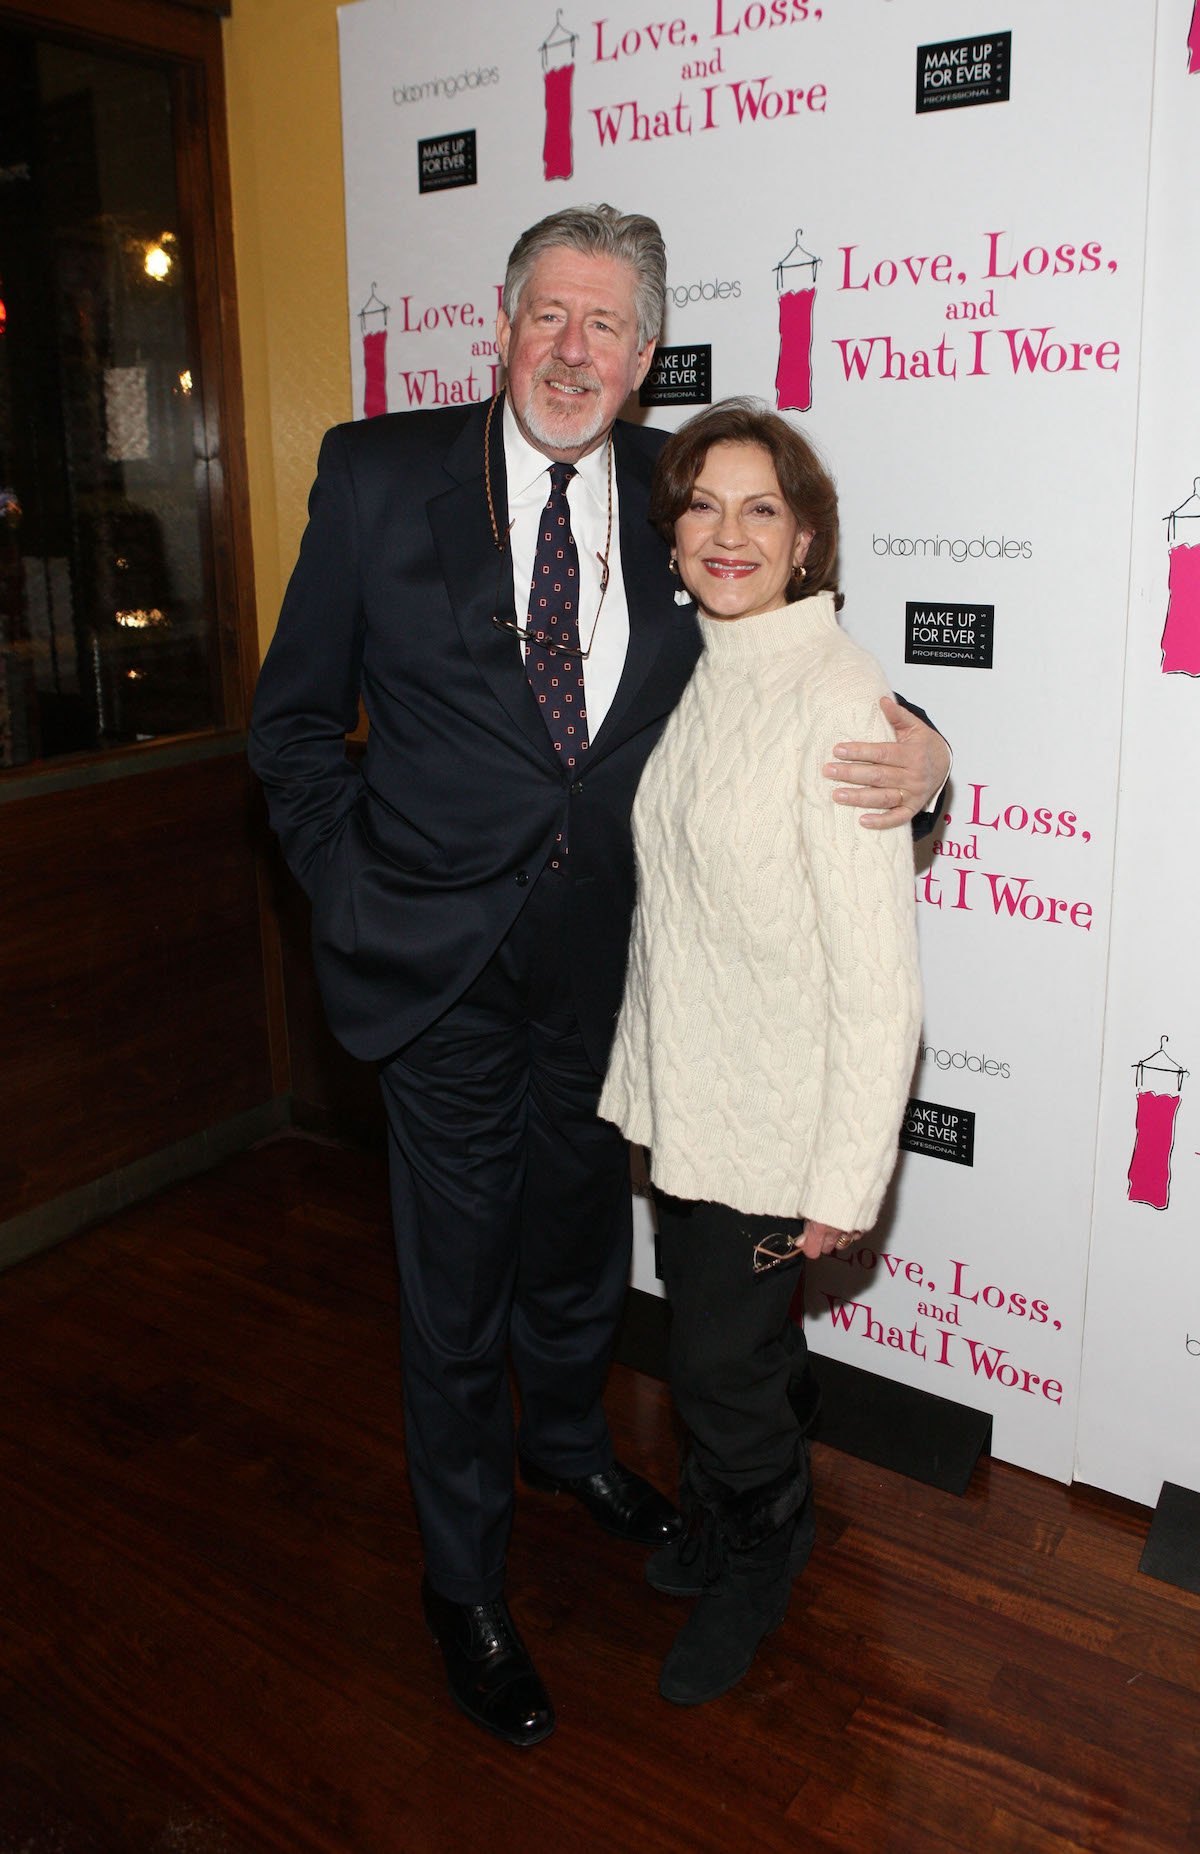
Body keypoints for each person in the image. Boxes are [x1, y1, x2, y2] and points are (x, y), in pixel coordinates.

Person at [248, 206, 948, 1749]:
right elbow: (291, 725)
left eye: (608, 327)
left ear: (645, 358)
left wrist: (932, 751)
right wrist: (351, 888)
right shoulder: (375, 477)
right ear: (501, 323)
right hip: (434, 978)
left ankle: (567, 1443)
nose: (575, 350)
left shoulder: (673, 495)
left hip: (615, 977)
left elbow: (791, 662)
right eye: (550, 316)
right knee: (454, 1290)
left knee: (576, 1250)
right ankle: (462, 1580)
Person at [599, 399, 923, 1708]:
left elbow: (880, 978)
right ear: (673, 537)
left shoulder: (841, 704)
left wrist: (849, 1174)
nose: (727, 533)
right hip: (691, 1097)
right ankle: (728, 1508)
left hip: (774, 1119)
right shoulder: (705, 665)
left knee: (721, 1364)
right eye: (702, 505)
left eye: (761, 510)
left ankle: (765, 1535)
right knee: (719, 1350)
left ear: (805, 544)